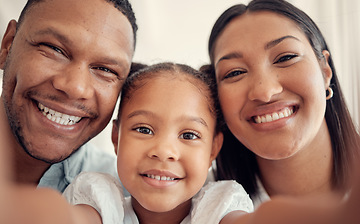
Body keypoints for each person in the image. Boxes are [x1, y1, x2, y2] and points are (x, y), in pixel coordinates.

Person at [0, 62, 255, 224]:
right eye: (144, 129)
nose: (164, 151)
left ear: (213, 149)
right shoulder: (99, 200)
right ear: (116, 138)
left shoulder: (219, 207)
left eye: (188, 135)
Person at [203, 0, 360, 208]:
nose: (265, 92)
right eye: (235, 72)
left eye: (285, 58)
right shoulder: (199, 208)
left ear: (325, 71)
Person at [0, 0, 137, 191]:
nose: (75, 88)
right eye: (54, 49)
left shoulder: (128, 197)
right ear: (7, 46)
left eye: (105, 69)